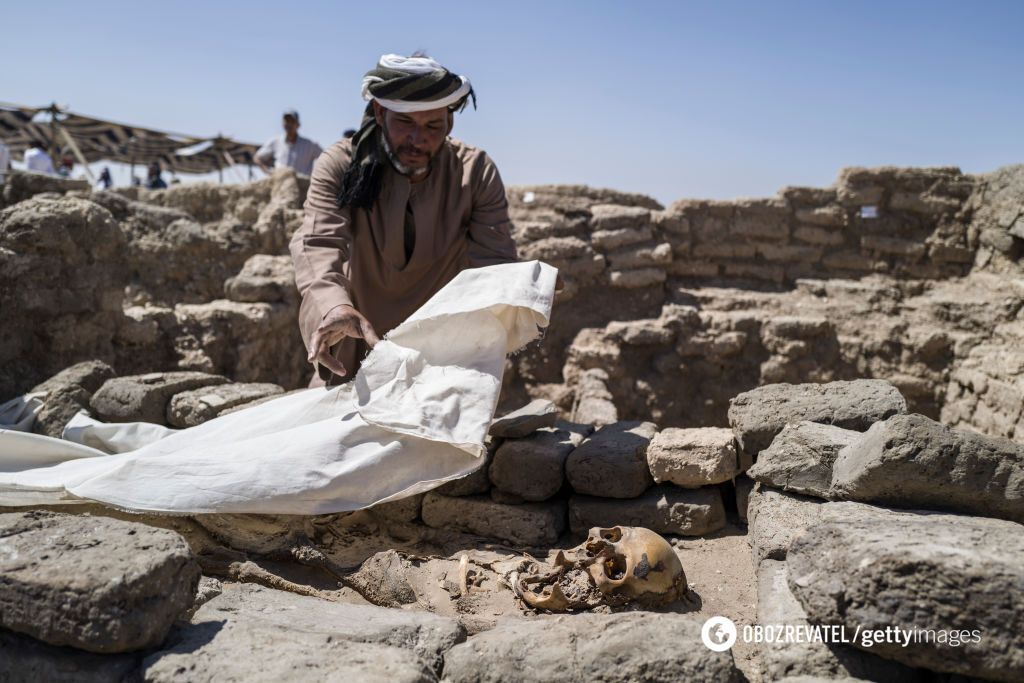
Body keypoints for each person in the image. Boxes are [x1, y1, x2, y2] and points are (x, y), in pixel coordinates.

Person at [290, 53, 518, 385]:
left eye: (432, 126)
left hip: (442, 363)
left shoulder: (475, 173)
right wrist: (332, 307)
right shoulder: (341, 165)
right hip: (356, 349)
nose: (418, 138)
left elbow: (494, 263)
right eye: (406, 123)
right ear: (380, 113)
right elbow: (317, 244)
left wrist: (525, 288)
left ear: (449, 123)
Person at [255, 110, 323, 176]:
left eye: (292, 121)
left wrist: (318, 176)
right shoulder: (275, 142)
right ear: (282, 123)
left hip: (303, 185)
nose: (289, 124)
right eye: (287, 121)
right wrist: (268, 172)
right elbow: (257, 158)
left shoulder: (309, 145)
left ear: (298, 125)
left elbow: (325, 158)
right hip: (280, 184)